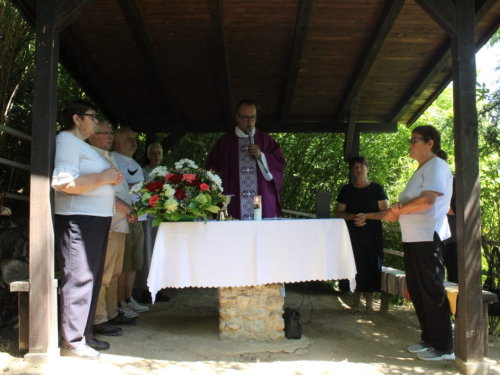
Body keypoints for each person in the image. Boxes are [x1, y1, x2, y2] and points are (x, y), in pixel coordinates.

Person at [52, 100, 123, 359]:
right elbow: (63, 182)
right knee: (80, 276)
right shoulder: (66, 141)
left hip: (95, 219)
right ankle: (71, 341)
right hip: (77, 219)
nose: (95, 122)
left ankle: (85, 334)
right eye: (92, 117)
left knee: (90, 277)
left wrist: (110, 177)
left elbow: (96, 177)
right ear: (76, 118)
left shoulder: (82, 146)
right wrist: (104, 177)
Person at [384, 125, 454, 361]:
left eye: (414, 140)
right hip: (413, 237)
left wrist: (398, 210)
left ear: (430, 143)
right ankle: (429, 339)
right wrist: (397, 209)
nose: (410, 144)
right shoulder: (423, 169)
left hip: (427, 236)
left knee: (432, 289)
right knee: (417, 288)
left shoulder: (436, 166)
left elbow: (427, 200)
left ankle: (444, 346)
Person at [89, 122, 138, 339]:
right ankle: (99, 318)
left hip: (119, 221)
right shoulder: (92, 157)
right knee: (105, 272)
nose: (110, 137)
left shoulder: (107, 156)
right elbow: (102, 190)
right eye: (105, 134)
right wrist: (127, 207)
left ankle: (110, 313)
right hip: (106, 220)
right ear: (93, 136)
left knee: (115, 272)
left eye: (111, 134)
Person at [205, 99, 287, 220]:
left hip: (261, 202)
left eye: (253, 117)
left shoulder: (265, 140)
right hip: (234, 205)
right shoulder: (225, 142)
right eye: (246, 118)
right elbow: (211, 171)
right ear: (237, 117)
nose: (250, 122)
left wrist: (261, 156)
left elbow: (279, 164)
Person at [335, 156, 388, 314]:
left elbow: (385, 212)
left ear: (367, 169)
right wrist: (354, 217)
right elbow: (339, 212)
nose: (359, 169)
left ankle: (370, 305)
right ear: (352, 171)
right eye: (355, 167)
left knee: (371, 266)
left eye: (361, 166)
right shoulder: (347, 190)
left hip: (372, 235)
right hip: (352, 235)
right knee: (354, 266)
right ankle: (355, 303)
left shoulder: (377, 189)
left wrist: (366, 217)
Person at [113, 127, 150, 314]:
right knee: (123, 265)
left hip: (139, 218)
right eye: (128, 138)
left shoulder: (136, 163)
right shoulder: (112, 160)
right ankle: (119, 304)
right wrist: (138, 186)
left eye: (134, 138)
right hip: (122, 219)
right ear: (117, 141)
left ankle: (128, 299)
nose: (133, 141)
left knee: (135, 263)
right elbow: (115, 187)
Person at [136, 142, 171, 303]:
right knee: (148, 253)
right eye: (154, 153)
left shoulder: (167, 174)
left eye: (159, 153)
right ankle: (146, 289)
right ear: (148, 155)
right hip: (148, 219)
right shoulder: (142, 172)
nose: (156, 156)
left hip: (163, 219)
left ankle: (160, 287)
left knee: (162, 253)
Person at [436, 150, 458, 283]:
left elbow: (456, 210)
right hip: (435, 235)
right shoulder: (429, 181)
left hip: (453, 237)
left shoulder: (456, 182)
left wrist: (438, 204)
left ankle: (457, 304)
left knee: (455, 276)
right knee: (436, 275)